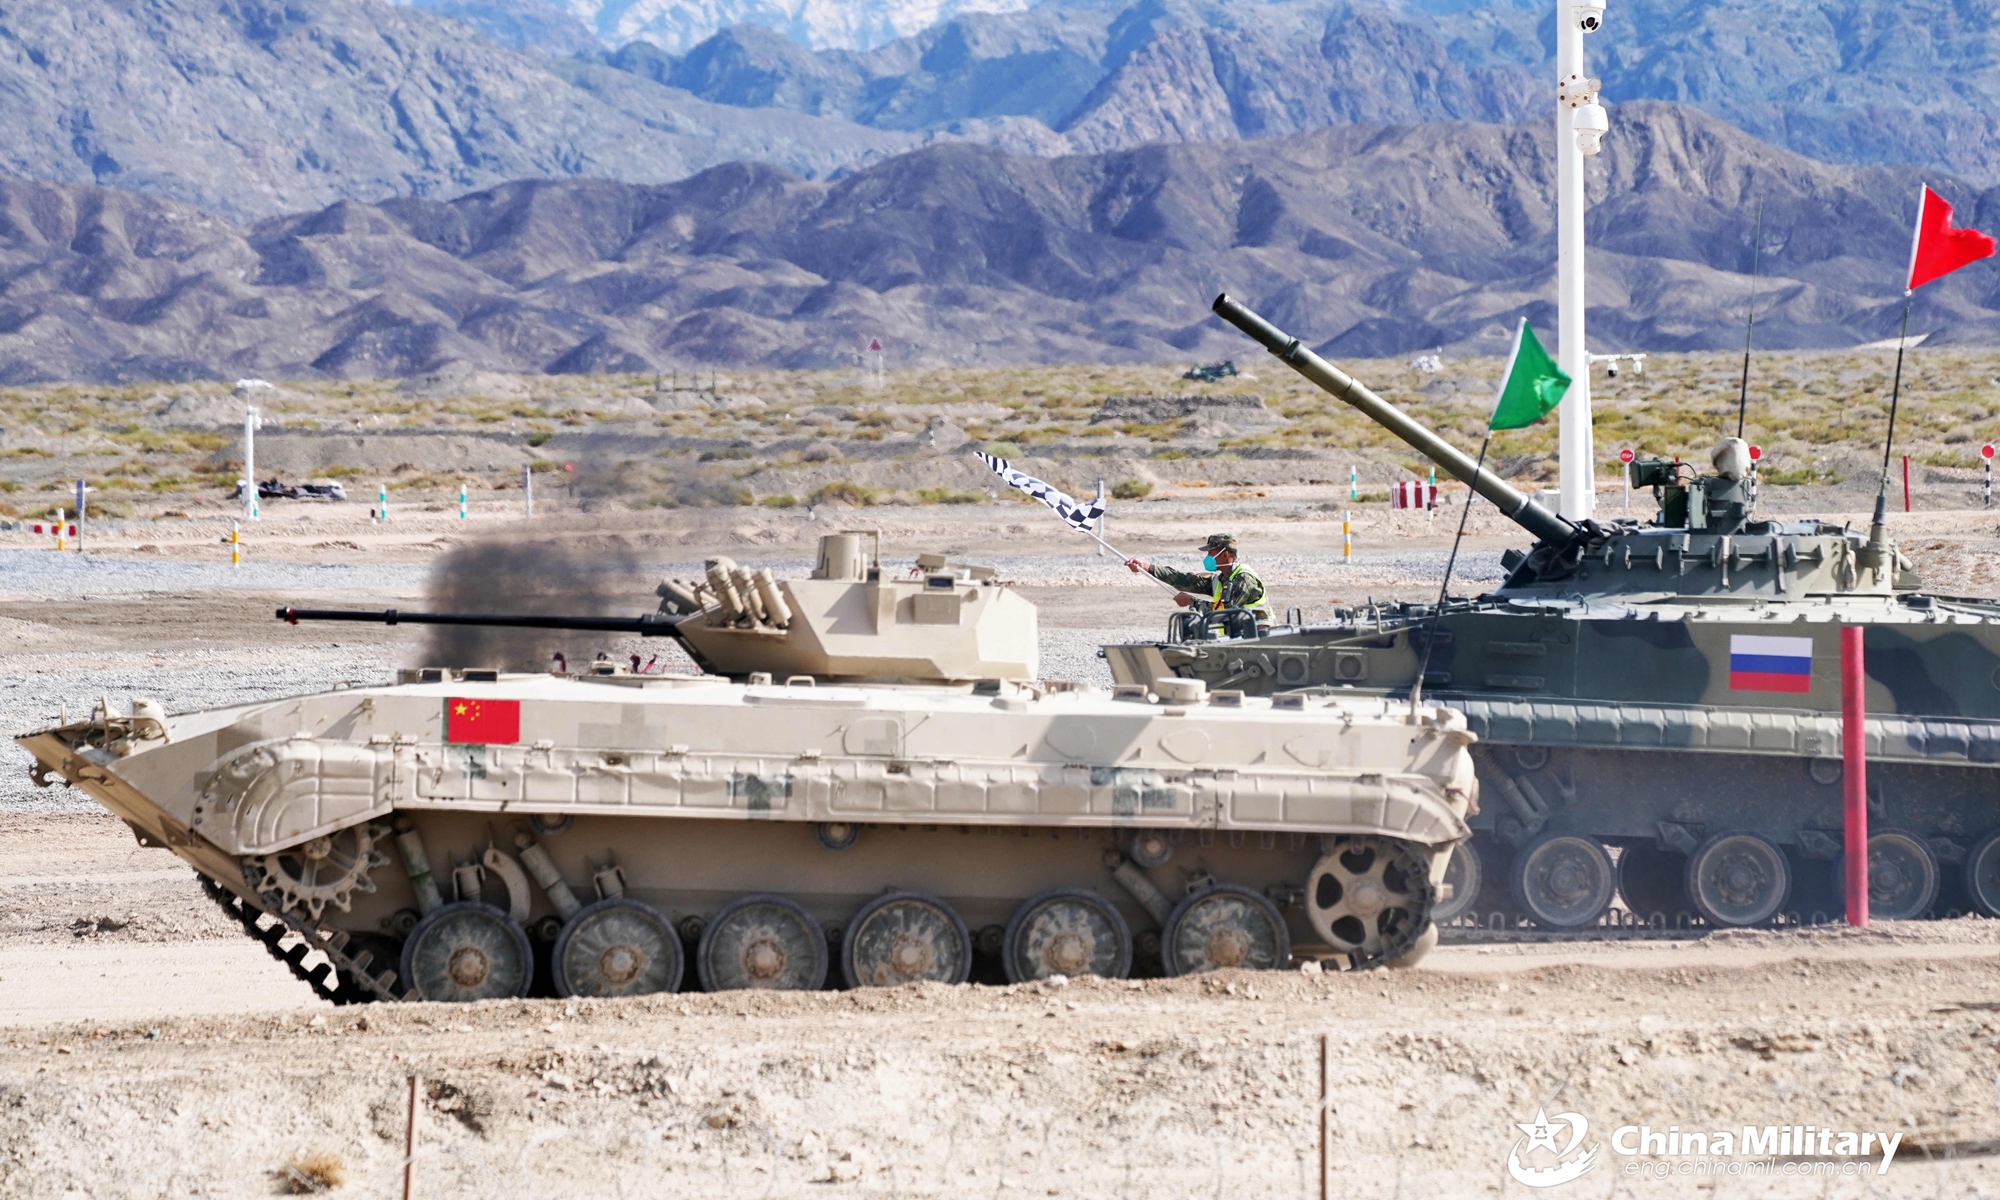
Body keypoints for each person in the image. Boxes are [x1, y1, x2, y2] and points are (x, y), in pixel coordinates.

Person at [1125, 534, 1271, 621]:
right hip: (1242, 638)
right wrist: (1147, 567)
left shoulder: (1243, 579)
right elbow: (1184, 580)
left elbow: (1225, 612)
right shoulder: (1222, 579)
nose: (1208, 557)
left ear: (1225, 554)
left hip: (1259, 639)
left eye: (1211, 553)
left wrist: (1191, 602)